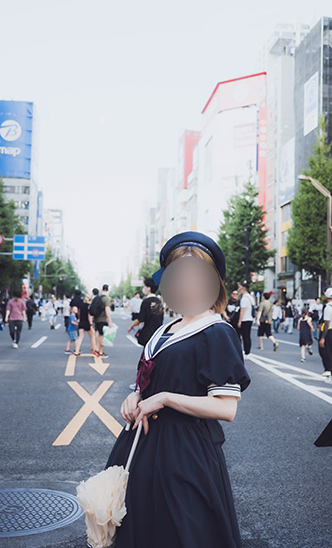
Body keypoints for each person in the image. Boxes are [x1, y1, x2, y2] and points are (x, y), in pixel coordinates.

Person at [108, 231, 250, 548]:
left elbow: (226, 408)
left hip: (185, 454)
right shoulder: (165, 330)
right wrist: (136, 395)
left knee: (183, 533)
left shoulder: (216, 331)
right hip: (141, 447)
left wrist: (165, 398)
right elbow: (150, 381)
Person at [128, 277, 164, 347]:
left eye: (144, 287)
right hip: (158, 333)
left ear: (149, 288)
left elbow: (140, 319)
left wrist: (131, 326)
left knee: (146, 352)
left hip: (148, 333)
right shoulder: (159, 302)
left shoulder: (146, 302)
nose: (143, 289)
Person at [91, 285, 113, 357]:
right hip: (103, 320)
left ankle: (96, 349)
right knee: (102, 336)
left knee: (98, 334)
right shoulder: (106, 299)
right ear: (107, 290)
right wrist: (110, 320)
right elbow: (107, 310)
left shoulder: (97, 297)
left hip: (96, 319)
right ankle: (100, 351)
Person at [236, 281, 254, 355]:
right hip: (250, 318)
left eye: (240, 289)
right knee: (247, 335)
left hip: (245, 319)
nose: (239, 291)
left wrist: (239, 321)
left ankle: (246, 351)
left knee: (244, 336)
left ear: (243, 289)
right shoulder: (251, 297)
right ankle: (247, 350)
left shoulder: (244, 298)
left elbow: (242, 311)